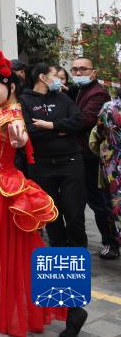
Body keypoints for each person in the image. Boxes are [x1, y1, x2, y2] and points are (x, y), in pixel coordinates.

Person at [0, 33, 84, 337]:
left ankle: (70, 308)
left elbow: (21, 135)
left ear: (11, 87)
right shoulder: (1, 105)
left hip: (8, 190)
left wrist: (21, 139)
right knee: (20, 254)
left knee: (24, 254)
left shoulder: (13, 114)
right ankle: (63, 308)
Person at [17, 63, 87, 248]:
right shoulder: (24, 100)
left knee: (74, 214)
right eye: (56, 75)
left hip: (70, 161)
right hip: (41, 165)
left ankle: (78, 255)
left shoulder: (63, 98)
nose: (59, 79)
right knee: (50, 213)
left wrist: (51, 126)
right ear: (43, 77)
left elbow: (79, 121)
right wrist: (63, 128)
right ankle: (59, 252)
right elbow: (30, 130)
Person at [71, 56, 119, 260]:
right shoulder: (82, 90)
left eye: (83, 69)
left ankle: (111, 241)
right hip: (94, 158)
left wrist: (57, 125)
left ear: (94, 72)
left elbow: (89, 124)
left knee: (101, 202)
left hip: (99, 160)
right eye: (75, 69)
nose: (78, 73)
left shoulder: (100, 96)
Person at [90, 99, 121, 254]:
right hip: (114, 166)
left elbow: (100, 131)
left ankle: (114, 244)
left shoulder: (109, 107)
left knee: (114, 207)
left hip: (114, 166)